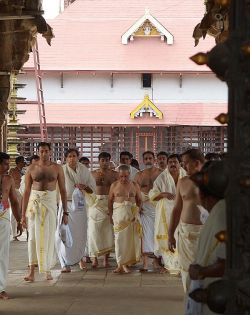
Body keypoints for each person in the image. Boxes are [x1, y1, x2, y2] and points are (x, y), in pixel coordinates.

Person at [21, 142, 68, 282]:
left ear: (50, 152)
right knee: (32, 238)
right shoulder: (32, 168)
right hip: (35, 204)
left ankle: (47, 269)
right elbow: (27, 192)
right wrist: (23, 215)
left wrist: (66, 212)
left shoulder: (57, 168)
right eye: (41, 151)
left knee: (48, 236)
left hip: (50, 203)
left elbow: (64, 191)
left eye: (46, 151)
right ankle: (31, 271)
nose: (44, 154)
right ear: (38, 151)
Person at [186, 161, 227, 315]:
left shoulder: (222, 214)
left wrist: (202, 271)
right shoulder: (220, 210)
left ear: (202, 194)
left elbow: (227, 262)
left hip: (217, 292)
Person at [168, 148, 205, 292]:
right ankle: (190, 297)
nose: (183, 166)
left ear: (196, 163)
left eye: (186, 163)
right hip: (185, 232)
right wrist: (170, 234)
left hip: (205, 233)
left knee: (205, 268)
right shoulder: (182, 182)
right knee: (187, 269)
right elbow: (176, 209)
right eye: (182, 163)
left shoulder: (213, 181)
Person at [56, 148, 96, 273]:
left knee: (80, 234)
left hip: (79, 206)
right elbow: (56, 189)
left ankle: (80, 258)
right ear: (66, 158)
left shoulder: (83, 170)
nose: (72, 158)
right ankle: (64, 263)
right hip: (65, 204)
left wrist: (84, 187)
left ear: (78, 157)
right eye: (69, 156)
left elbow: (92, 189)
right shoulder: (61, 170)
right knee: (63, 233)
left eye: (74, 156)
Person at [149, 154, 186, 274]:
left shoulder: (185, 176)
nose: (172, 164)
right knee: (167, 237)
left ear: (180, 163)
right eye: (170, 162)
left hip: (182, 211)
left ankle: (181, 264)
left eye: (175, 162)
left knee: (180, 236)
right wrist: (163, 194)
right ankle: (169, 265)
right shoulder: (162, 177)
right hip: (165, 211)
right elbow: (152, 195)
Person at [109, 165, 142, 274]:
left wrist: (137, 212)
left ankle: (126, 263)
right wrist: (110, 215)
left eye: (126, 176)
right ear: (118, 175)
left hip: (131, 216)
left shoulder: (134, 185)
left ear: (129, 175)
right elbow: (110, 201)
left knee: (129, 240)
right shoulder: (114, 185)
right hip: (118, 215)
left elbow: (139, 200)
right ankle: (120, 264)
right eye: (121, 176)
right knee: (119, 240)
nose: (123, 179)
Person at [88, 152, 118, 268]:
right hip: (95, 203)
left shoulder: (115, 175)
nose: (105, 162)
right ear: (98, 161)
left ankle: (106, 259)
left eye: (107, 160)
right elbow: (87, 189)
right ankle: (94, 258)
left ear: (110, 160)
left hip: (110, 203)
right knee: (93, 231)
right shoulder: (92, 174)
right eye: (102, 160)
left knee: (108, 232)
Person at [134, 151, 162, 271]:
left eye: (150, 158)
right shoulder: (139, 175)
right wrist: (138, 208)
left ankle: (157, 262)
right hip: (145, 207)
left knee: (159, 234)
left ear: (154, 159)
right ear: (143, 160)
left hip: (159, 207)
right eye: (146, 158)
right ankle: (145, 264)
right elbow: (136, 193)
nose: (148, 160)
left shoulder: (161, 174)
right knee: (145, 235)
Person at [0, 152, 22, 300]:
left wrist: (19, 221)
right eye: (5, 164)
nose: (8, 167)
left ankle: (0, 288)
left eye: (8, 163)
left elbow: (14, 201)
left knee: (2, 253)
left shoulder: (8, 179)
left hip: (3, 217)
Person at [9, 156, 25, 241]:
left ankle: (19, 230)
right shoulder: (12, 171)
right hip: (15, 192)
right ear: (19, 162)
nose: (24, 163)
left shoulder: (24, 171)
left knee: (21, 212)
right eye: (23, 161)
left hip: (22, 193)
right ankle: (14, 234)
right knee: (15, 212)